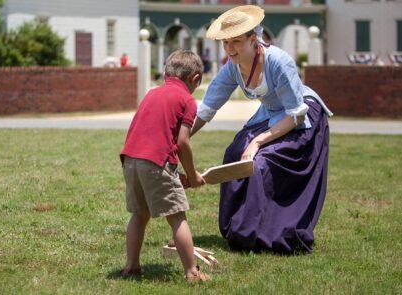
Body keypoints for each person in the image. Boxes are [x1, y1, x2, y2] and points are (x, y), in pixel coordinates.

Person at [191, 5, 333, 254]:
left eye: (236, 41)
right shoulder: (232, 67)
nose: (230, 48)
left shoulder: (278, 61)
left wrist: (257, 141)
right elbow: (206, 109)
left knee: (260, 162)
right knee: (235, 152)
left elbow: (295, 115)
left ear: (253, 39)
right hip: (271, 113)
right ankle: (237, 228)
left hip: (301, 114)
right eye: (226, 42)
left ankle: (263, 233)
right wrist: (179, 138)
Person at [120, 50, 209, 282]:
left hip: (130, 160)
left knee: (139, 215)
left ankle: (131, 266)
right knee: (178, 216)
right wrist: (192, 175)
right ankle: (192, 272)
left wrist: (173, 172)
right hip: (154, 163)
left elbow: (153, 139)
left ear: (166, 73)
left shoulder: (151, 94)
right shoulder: (187, 100)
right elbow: (181, 142)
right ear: (196, 79)